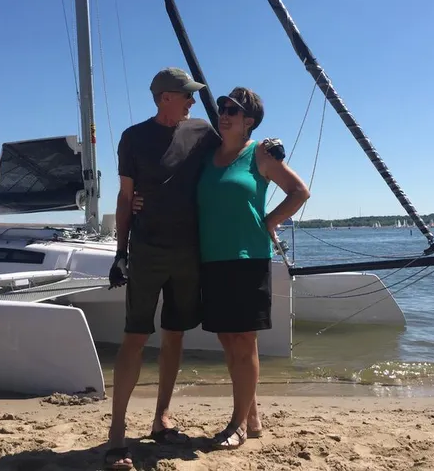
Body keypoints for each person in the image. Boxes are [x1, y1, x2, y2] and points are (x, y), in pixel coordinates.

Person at [103, 67, 220, 471]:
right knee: (135, 336)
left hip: (189, 252)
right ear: (165, 97)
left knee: (175, 333)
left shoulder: (203, 132)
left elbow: (233, 152)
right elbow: (125, 197)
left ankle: (161, 418)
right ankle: (117, 435)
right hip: (148, 250)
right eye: (186, 95)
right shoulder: (133, 138)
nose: (192, 101)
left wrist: (266, 150)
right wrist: (121, 252)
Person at [197, 87, 309, 449]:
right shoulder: (209, 155)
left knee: (244, 343)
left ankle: (237, 425)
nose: (224, 113)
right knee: (228, 341)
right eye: (222, 108)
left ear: (249, 122)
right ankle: (253, 416)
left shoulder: (259, 153)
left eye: (233, 110)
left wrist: (269, 221)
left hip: (247, 260)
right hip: (211, 259)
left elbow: (299, 191)